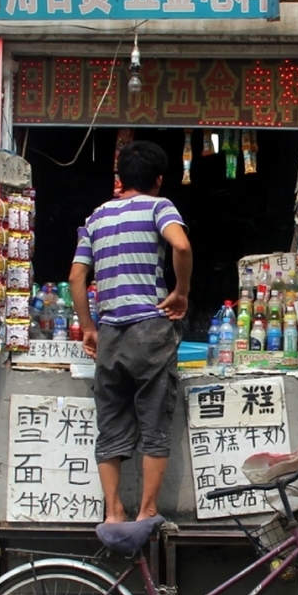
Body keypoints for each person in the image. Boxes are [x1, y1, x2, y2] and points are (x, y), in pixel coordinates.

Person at [69, 140, 192, 526]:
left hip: (110, 331)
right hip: (150, 327)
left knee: (111, 420)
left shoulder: (95, 218)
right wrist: (181, 292)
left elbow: (76, 276)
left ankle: (113, 511)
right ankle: (147, 510)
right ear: (158, 179)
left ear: (120, 177)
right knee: (154, 418)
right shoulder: (160, 206)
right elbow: (181, 246)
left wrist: (89, 327)